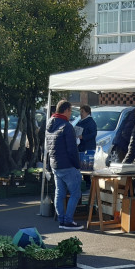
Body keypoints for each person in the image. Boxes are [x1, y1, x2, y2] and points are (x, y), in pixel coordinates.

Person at [44, 99, 85, 230]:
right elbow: (72, 149)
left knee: (59, 193)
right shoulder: (67, 127)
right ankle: (68, 220)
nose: (70, 113)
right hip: (67, 165)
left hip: (55, 164)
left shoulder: (49, 124)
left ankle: (62, 219)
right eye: (70, 111)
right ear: (66, 110)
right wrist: (77, 165)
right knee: (75, 194)